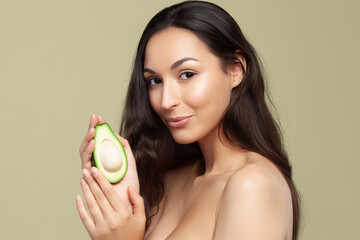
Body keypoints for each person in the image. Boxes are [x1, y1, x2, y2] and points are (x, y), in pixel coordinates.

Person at [76, 1, 301, 239]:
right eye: (154, 80)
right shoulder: (169, 182)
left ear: (236, 70)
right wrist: (121, 200)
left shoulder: (253, 185)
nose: (166, 101)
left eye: (187, 74)